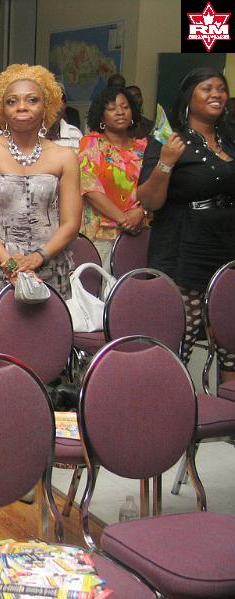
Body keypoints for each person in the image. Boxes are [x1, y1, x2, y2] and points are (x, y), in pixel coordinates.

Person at [0, 64, 81, 355]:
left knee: (44, 357)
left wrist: (37, 258)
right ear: (1, 109)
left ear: (47, 107)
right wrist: (11, 265)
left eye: (32, 100)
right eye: (12, 101)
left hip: (49, 265)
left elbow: (71, 223)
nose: (22, 107)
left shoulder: (65, 156)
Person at [137, 67, 235, 374]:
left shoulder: (230, 139)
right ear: (188, 98)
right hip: (185, 250)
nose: (216, 94)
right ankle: (167, 396)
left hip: (226, 246)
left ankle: (225, 401)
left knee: (230, 337)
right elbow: (148, 201)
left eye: (221, 89)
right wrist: (166, 163)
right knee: (181, 337)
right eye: (207, 89)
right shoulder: (168, 138)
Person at [78, 86, 148, 269]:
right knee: (102, 284)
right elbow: (90, 189)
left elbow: (156, 187)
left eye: (125, 107)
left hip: (141, 231)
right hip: (101, 236)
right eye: (111, 108)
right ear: (101, 117)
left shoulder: (145, 148)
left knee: (136, 283)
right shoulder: (91, 144)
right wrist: (124, 220)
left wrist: (142, 213)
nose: (120, 112)